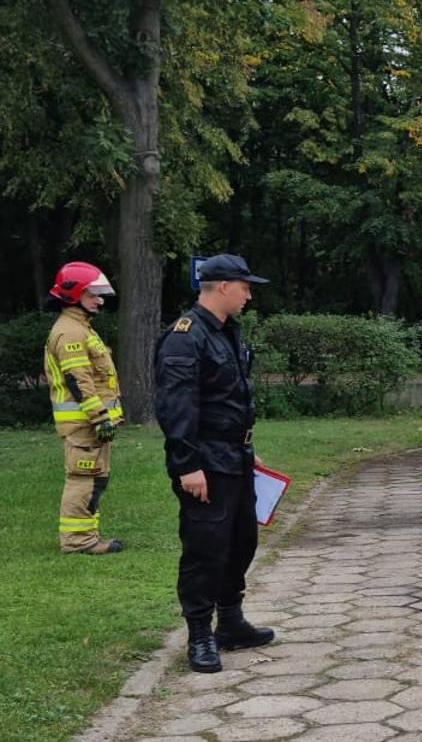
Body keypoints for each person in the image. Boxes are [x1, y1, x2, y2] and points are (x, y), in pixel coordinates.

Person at [154, 254, 275, 673]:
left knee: (242, 541)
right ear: (223, 286)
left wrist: (246, 445)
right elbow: (177, 408)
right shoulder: (185, 337)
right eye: (245, 286)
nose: (249, 294)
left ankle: (232, 622)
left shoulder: (226, 332)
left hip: (235, 457)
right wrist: (187, 466)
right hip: (204, 463)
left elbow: (229, 399)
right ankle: (200, 634)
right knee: (206, 550)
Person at [44, 262, 125, 555]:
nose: (100, 300)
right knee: (82, 479)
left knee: (94, 481)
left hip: (91, 425)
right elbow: (78, 381)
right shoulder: (71, 333)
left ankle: (88, 535)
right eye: (93, 294)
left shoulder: (80, 327)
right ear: (73, 295)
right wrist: (100, 417)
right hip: (84, 424)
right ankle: (78, 541)